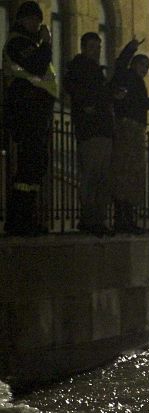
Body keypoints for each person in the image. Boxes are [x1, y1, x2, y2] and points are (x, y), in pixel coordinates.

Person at [2, 1, 57, 236]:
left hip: (37, 113)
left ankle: (26, 217)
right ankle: (17, 219)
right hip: (25, 111)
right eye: (32, 19)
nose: (36, 23)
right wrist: (46, 43)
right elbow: (37, 66)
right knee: (28, 166)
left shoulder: (31, 44)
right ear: (22, 20)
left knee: (36, 165)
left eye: (38, 19)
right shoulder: (17, 43)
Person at [64, 32, 116, 236]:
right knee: (92, 176)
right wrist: (87, 104)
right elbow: (73, 89)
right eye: (93, 46)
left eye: (99, 46)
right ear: (84, 47)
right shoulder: (79, 68)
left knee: (102, 178)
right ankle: (90, 219)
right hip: (91, 130)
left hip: (102, 129)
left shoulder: (94, 70)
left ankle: (97, 219)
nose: (97, 50)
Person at [110, 38, 149, 234]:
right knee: (124, 171)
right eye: (141, 64)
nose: (144, 69)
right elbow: (119, 64)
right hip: (127, 127)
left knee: (133, 173)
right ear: (134, 64)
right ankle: (122, 217)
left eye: (146, 66)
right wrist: (131, 48)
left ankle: (128, 216)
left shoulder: (139, 83)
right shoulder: (126, 76)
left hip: (137, 129)